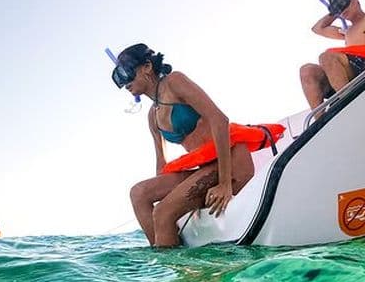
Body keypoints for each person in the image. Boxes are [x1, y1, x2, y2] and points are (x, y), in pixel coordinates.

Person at [112, 43, 284, 247]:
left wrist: (224, 184)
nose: (124, 82)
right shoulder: (152, 115)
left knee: (163, 213)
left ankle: (179, 275)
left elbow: (220, 120)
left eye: (126, 71)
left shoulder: (175, 82)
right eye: (119, 76)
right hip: (204, 171)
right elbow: (161, 165)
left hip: (231, 164)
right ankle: (164, 262)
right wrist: (175, 198)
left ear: (147, 66)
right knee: (138, 193)